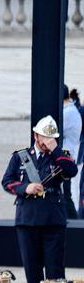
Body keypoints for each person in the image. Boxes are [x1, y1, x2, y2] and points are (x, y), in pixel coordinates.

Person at [1, 116, 79, 283]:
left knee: (54, 264)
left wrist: (54, 149)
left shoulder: (61, 156)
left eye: (52, 139)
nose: (48, 142)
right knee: (31, 264)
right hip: (28, 216)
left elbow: (71, 171)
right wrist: (25, 187)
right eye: (46, 138)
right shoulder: (21, 157)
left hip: (53, 216)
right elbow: (7, 181)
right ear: (36, 136)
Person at [62, 85, 82, 216]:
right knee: (65, 194)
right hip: (67, 155)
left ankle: (75, 225)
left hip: (65, 156)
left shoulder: (68, 112)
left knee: (65, 195)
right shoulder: (70, 110)